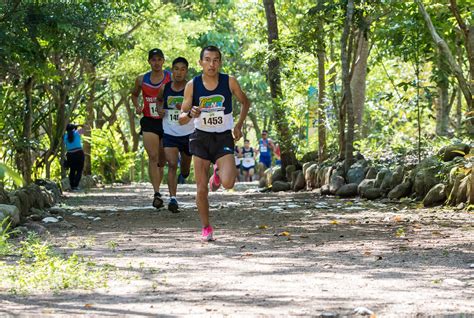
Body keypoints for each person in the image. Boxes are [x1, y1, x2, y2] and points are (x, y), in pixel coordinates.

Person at [179, 45, 250, 242]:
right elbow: (181, 118)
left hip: (223, 137)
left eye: (216, 60)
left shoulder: (229, 82)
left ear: (220, 62)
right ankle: (206, 227)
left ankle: (217, 175)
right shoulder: (192, 85)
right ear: (200, 63)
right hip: (200, 137)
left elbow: (246, 102)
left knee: (229, 183)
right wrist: (190, 113)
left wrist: (238, 125)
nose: (212, 64)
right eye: (208, 60)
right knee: (201, 188)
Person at [131, 48, 171, 209]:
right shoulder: (141, 79)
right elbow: (134, 94)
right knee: (153, 156)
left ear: (163, 61)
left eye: (159, 59)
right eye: (153, 60)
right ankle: (156, 193)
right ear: (149, 62)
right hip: (149, 121)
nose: (156, 63)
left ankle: (158, 188)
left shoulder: (170, 77)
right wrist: (137, 106)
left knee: (162, 160)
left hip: (166, 121)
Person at [159, 57, 194, 213]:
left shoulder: (192, 88)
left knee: (185, 168)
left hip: (188, 133)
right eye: (176, 69)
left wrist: (186, 108)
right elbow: (159, 101)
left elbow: (199, 106)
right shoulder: (165, 88)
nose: (179, 72)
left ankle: (185, 172)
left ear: (186, 71)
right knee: (172, 164)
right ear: (171, 70)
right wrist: (160, 109)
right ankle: (173, 198)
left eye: (182, 69)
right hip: (170, 132)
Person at [63, 123, 85, 191]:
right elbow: (85, 128)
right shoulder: (77, 132)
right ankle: (76, 185)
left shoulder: (65, 136)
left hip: (70, 154)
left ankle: (72, 186)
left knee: (72, 170)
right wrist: (77, 126)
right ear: (74, 128)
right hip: (79, 153)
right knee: (79, 171)